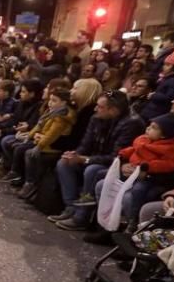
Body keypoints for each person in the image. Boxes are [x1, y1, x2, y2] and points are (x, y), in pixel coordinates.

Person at [51, 90, 144, 229]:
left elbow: (116, 157)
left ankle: (82, 217)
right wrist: (74, 155)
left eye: (100, 107)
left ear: (113, 110)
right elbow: (85, 144)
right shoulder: (96, 118)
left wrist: (84, 160)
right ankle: (71, 207)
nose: (95, 109)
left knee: (92, 170)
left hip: (119, 166)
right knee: (64, 163)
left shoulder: (131, 124)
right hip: (96, 158)